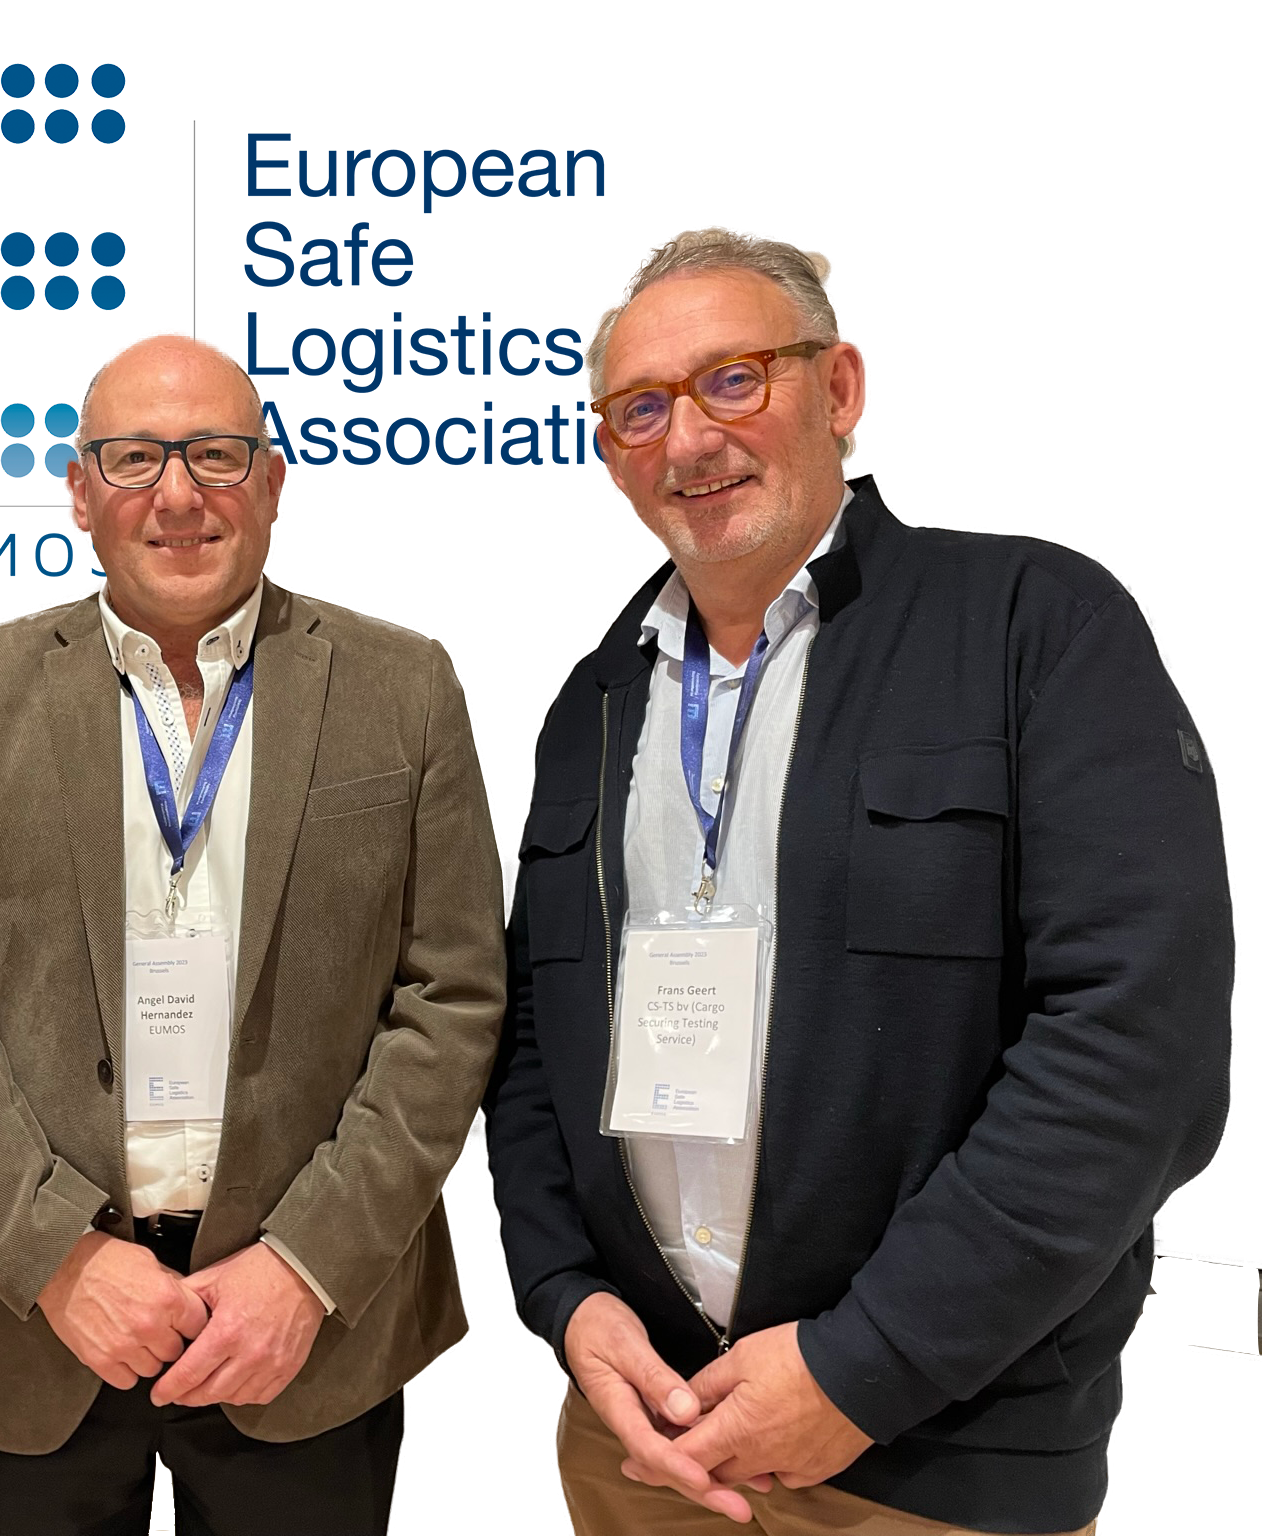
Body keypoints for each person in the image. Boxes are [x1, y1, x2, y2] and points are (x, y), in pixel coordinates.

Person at [483, 226, 1234, 1536]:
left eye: (733, 380)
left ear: (838, 388)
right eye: (639, 409)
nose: (687, 438)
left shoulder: (1035, 626)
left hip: (936, 1450)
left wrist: (862, 1364)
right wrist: (566, 1299)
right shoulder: (594, 704)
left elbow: (1134, 1050)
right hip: (645, 1436)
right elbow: (536, 1043)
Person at [0, 329, 507, 1535]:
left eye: (215, 454)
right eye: (134, 457)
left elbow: (451, 997)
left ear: (270, 481)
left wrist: (306, 1265)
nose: (176, 494)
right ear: (79, 490)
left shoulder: (401, 687)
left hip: (298, 1340)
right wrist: (57, 1255)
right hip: (33, 1329)